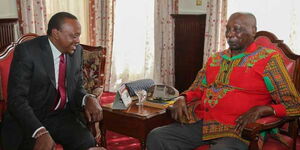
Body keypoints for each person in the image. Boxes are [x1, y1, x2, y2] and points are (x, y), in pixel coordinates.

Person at [146, 12, 300, 150]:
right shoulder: (215, 59)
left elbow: (294, 104)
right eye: (228, 29)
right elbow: (197, 88)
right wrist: (182, 97)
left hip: (238, 131)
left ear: (253, 30)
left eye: (237, 29)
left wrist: (263, 109)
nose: (230, 34)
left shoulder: (269, 60)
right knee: (157, 136)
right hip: (203, 123)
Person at [1, 12, 105, 150]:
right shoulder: (28, 51)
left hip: (60, 116)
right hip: (29, 118)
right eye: (74, 36)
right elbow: (16, 99)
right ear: (56, 33)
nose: (78, 41)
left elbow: (77, 87)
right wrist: (39, 131)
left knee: (87, 143)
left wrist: (87, 98)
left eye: (78, 35)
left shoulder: (77, 52)